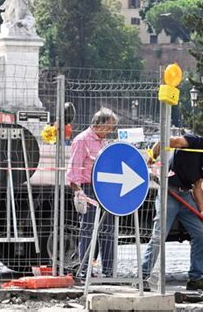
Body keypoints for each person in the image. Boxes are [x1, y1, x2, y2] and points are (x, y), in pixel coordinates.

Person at [142, 124, 203, 291]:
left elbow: (197, 186)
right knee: (159, 236)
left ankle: (195, 278)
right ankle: (143, 277)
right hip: (169, 193)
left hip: (185, 197)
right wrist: (151, 158)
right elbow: (166, 141)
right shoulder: (192, 141)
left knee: (200, 236)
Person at [66, 107, 118, 279]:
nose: (111, 131)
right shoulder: (82, 140)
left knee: (108, 231)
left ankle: (109, 271)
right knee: (88, 230)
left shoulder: (104, 142)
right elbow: (74, 170)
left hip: (105, 189)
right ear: (99, 124)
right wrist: (79, 193)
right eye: (109, 127)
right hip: (88, 189)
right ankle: (84, 270)